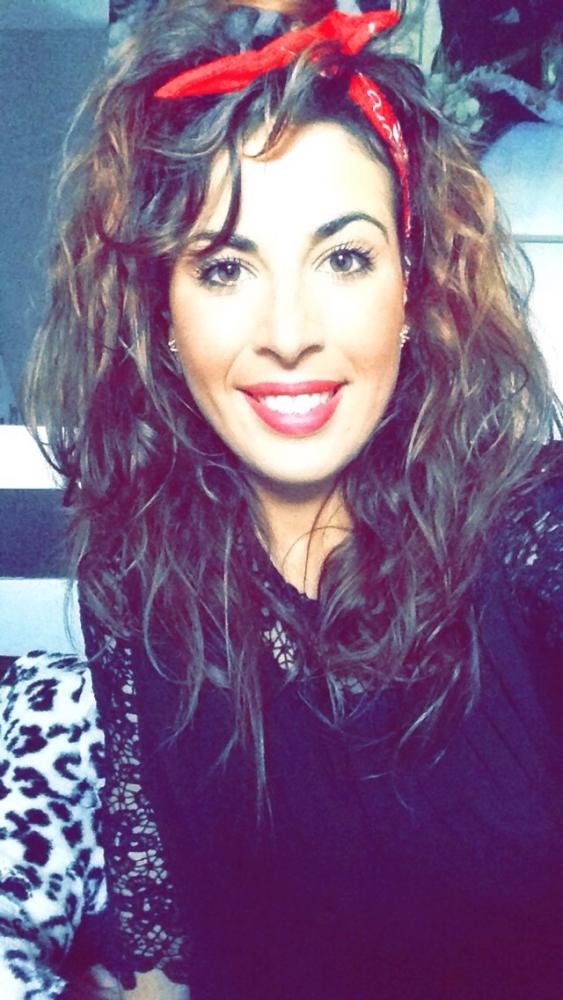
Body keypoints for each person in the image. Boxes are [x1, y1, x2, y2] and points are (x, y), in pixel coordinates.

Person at [10, 0, 563, 996]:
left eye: (343, 257)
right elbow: (167, 954)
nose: (288, 332)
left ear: (411, 289)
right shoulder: (136, 580)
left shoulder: (540, 536)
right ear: (161, 314)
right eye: (225, 267)